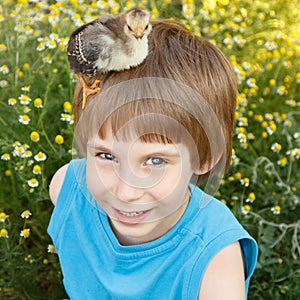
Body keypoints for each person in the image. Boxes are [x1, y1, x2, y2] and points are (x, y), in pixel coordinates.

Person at [48, 19, 258, 299]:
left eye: (155, 161)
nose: (125, 192)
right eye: (106, 156)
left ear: (205, 157)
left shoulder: (215, 259)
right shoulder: (66, 188)